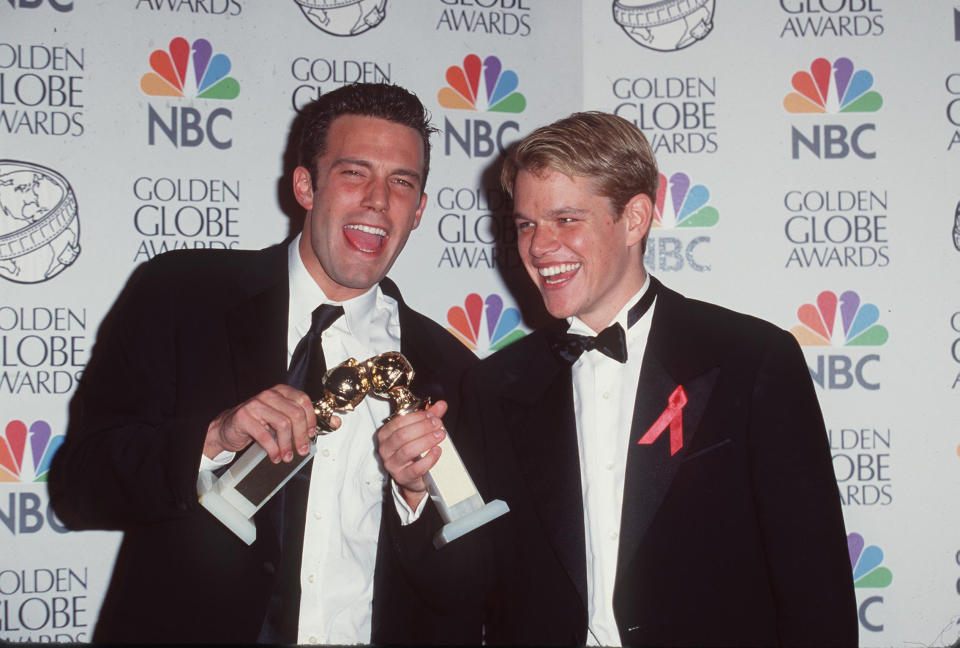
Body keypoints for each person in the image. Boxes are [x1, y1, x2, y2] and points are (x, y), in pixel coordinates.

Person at [379, 111, 858, 646]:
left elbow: (816, 589)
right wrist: (416, 492)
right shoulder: (496, 387)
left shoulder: (752, 360)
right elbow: (462, 592)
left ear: (634, 219)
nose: (538, 247)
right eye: (526, 225)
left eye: (566, 220)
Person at [48, 83, 475, 644]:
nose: (377, 199)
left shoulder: (452, 368)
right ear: (305, 185)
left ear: (419, 210)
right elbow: (78, 488)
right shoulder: (182, 296)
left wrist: (419, 500)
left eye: (402, 182)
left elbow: (468, 588)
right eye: (353, 172)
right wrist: (211, 438)